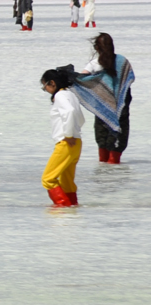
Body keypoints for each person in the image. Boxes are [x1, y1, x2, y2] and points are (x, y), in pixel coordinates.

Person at [80, 32, 133, 164]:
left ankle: (103, 176)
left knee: (102, 149)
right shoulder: (122, 61)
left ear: (97, 48)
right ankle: (115, 175)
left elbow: (81, 80)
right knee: (115, 152)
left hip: (102, 109)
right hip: (121, 108)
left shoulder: (94, 64)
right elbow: (128, 80)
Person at [39, 66, 83, 207]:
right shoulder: (71, 95)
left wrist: (68, 135)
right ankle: (72, 208)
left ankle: (62, 206)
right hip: (77, 142)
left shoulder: (60, 96)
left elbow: (69, 111)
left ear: (52, 83)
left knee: (48, 179)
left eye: (45, 86)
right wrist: (74, 133)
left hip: (65, 143)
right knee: (67, 180)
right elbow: (81, 118)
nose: (46, 90)